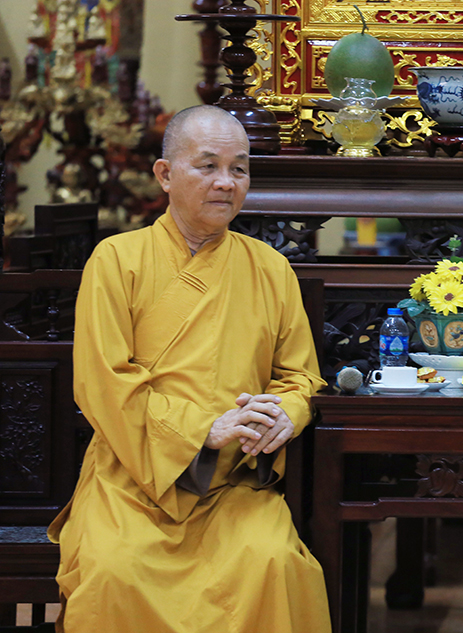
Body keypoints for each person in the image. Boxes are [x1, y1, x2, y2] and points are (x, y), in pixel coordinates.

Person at [48, 105, 331, 633]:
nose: (226, 182)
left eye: (239, 168)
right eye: (208, 166)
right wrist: (203, 429)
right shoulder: (116, 259)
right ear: (165, 174)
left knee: (273, 562)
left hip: (234, 485)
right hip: (133, 480)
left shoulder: (270, 268)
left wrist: (285, 414)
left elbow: (300, 377)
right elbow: (103, 382)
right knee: (114, 571)